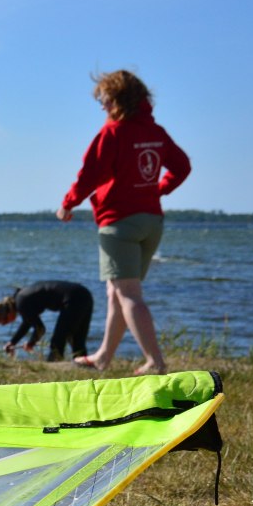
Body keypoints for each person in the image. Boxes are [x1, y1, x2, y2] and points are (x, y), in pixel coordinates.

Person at [57, 69, 191, 376]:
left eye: (104, 99)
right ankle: (103, 356)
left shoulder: (113, 134)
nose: (102, 106)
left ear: (118, 100)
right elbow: (181, 166)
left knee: (128, 292)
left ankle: (155, 362)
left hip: (119, 223)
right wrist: (159, 189)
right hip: (151, 222)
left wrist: (67, 205)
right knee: (115, 290)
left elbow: (90, 174)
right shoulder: (155, 132)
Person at [0, 281, 93, 361]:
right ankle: (85, 370)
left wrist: (31, 343)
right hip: (83, 294)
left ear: (7, 313)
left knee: (57, 343)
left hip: (73, 299)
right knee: (77, 341)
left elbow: (40, 328)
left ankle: (53, 372)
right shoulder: (21, 298)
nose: (5, 324)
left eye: (4, 321)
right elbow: (27, 323)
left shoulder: (21, 303)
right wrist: (13, 342)